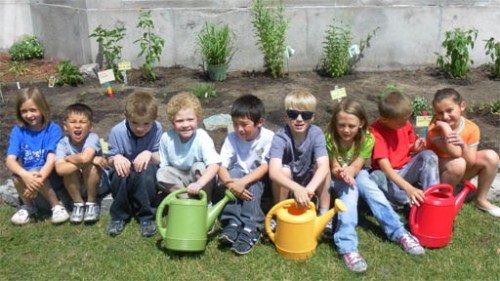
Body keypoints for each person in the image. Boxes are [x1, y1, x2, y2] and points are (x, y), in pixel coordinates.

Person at [326, 98, 424, 273]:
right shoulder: (330, 138)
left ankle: (398, 232)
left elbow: (358, 165)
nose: (346, 130)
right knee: (349, 197)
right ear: (335, 123)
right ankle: (348, 247)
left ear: (362, 123)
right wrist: (341, 172)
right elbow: (333, 167)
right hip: (337, 177)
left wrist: (350, 172)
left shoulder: (367, 137)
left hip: (358, 172)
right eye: (341, 125)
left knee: (373, 192)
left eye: (351, 125)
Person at [427, 88, 500, 217]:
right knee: (458, 163)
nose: (445, 117)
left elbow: (470, 161)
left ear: (462, 106)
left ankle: (481, 199)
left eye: (449, 110)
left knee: (491, 157)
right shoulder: (435, 128)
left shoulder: (471, 128)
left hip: (460, 169)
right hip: (436, 174)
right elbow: (454, 153)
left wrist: (463, 145)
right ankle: (442, 200)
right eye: (440, 113)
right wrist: (445, 128)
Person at [217, 94, 274, 255]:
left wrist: (242, 183)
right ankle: (232, 223)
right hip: (238, 176)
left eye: (244, 124)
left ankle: (251, 227)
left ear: (260, 122)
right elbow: (221, 165)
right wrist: (230, 183)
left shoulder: (268, 137)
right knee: (233, 172)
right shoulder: (232, 138)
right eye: (235, 124)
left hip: (260, 178)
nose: (239, 129)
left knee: (254, 181)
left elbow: (265, 166)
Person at [6, 86, 69, 225]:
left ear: (43, 108)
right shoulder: (18, 131)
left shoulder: (52, 129)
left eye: (33, 110)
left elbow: (51, 160)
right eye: (24, 111)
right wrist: (25, 175)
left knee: (36, 171)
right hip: (30, 175)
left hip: (51, 175)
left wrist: (35, 180)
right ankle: (28, 206)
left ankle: (56, 206)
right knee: (16, 177)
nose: (29, 115)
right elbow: (10, 161)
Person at [369, 91, 440, 207]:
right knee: (376, 177)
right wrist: (409, 188)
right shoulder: (376, 133)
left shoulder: (403, 123)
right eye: (400, 123)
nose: (405, 124)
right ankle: (408, 201)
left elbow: (403, 148)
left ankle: (432, 198)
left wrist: (413, 147)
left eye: (406, 120)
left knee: (428, 155)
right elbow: (386, 169)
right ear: (384, 119)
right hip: (389, 175)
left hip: (406, 169)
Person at [106, 91, 162, 237]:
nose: (140, 128)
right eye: (135, 123)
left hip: (145, 169)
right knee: (119, 173)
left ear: (155, 119)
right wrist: (116, 158)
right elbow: (109, 160)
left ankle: (146, 216)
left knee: (147, 171)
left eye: (146, 124)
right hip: (124, 169)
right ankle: (119, 215)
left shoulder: (157, 129)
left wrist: (149, 154)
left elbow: (160, 157)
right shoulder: (117, 131)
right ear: (126, 116)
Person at [268, 90, 330, 214]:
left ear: (312, 117)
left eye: (305, 115)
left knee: (324, 169)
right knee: (283, 171)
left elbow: (323, 165)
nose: (299, 119)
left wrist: (308, 190)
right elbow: (274, 173)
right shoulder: (280, 137)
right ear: (286, 117)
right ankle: (278, 212)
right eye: (293, 114)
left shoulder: (316, 133)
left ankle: (324, 212)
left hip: (309, 182)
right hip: (287, 182)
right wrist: (296, 188)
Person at [156, 91, 221, 206]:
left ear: (197, 118)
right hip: (180, 179)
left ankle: (205, 203)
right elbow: (164, 165)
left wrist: (199, 183)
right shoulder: (167, 138)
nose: (185, 125)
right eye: (180, 121)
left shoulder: (202, 137)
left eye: (190, 119)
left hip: (200, 181)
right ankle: (187, 201)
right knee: (162, 173)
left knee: (199, 167)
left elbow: (214, 164)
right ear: (172, 122)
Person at [54, 103, 109, 223]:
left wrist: (68, 158)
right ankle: (78, 204)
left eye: (83, 122)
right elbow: (60, 170)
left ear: (90, 127)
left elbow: (85, 158)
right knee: (69, 171)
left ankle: (91, 203)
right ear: (65, 126)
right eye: (73, 122)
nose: (78, 126)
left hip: (98, 184)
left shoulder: (92, 138)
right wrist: (92, 159)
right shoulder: (62, 143)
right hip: (77, 184)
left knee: (91, 166)